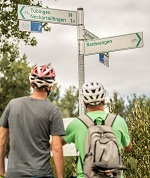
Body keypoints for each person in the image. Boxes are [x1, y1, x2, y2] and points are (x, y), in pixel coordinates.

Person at [0, 65, 65, 178]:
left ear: (31, 84)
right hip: (40, 173)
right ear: (50, 86)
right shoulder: (53, 110)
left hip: (14, 173)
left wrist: (2, 169)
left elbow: (1, 141)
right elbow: (57, 148)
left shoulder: (12, 105)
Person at [62, 81, 132, 178]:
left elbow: (57, 144)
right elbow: (128, 147)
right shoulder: (119, 121)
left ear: (84, 101)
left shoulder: (76, 124)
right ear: (104, 99)